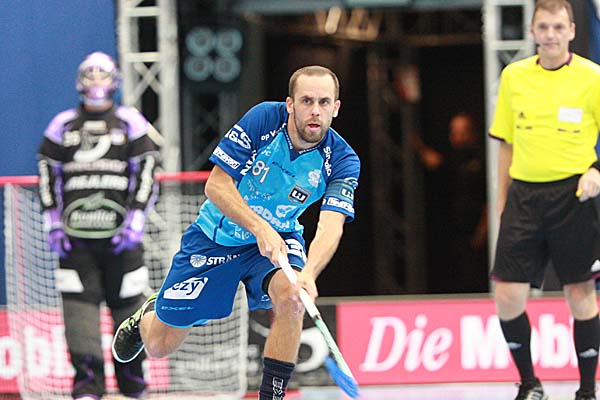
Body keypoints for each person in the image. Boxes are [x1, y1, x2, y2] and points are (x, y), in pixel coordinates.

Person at [112, 65, 360, 399]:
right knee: (160, 345)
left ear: (336, 107)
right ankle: (147, 314)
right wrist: (259, 227)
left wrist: (309, 274)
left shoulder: (342, 160)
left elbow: (331, 224)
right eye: (306, 101)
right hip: (217, 239)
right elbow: (216, 185)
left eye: (324, 102)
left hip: (279, 240)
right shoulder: (263, 120)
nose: (315, 110)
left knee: (292, 298)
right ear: (290, 104)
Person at [488, 1, 600, 399]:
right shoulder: (514, 76)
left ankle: (586, 391)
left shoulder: (592, 77)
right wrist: (502, 202)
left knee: (580, 295)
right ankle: (530, 384)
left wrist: (596, 170)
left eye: (558, 27)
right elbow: (505, 144)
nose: (551, 34)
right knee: (507, 297)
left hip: (574, 196)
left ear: (571, 31)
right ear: (532, 31)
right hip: (524, 197)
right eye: (544, 27)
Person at [37, 52, 161, 399]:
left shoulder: (130, 122)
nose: (95, 80)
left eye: (102, 73)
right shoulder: (62, 125)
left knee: (131, 315)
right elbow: (46, 172)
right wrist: (52, 221)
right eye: (89, 73)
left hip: (123, 241)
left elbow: (148, 171)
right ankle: (87, 388)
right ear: (79, 80)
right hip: (75, 244)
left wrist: (137, 218)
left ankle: (134, 387)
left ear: (115, 80)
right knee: (79, 318)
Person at [412, 113, 488, 293]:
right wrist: (418, 146)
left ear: (474, 133)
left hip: (477, 230)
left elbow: (489, 200)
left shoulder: (483, 160)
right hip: (454, 229)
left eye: (463, 132)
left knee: (475, 275)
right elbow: (436, 162)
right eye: (454, 131)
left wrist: (482, 231)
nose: (458, 137)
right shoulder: (453, 158)